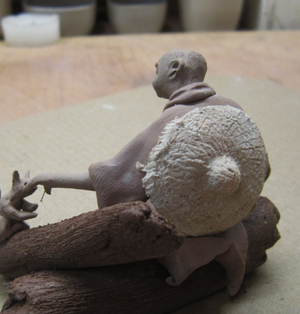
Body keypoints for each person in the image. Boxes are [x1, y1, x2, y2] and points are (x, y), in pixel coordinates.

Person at [21, 50, 269, 295]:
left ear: (174, 69)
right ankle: (233, 243)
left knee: (147, 218)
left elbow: (115, 179)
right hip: (228, 209)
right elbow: (262, 167)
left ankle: (197, 254)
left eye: (157, 69)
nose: (155, 75)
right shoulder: (232, 107)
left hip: (186, 223)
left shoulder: (172, 120)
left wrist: (52, 179)